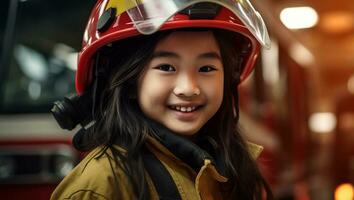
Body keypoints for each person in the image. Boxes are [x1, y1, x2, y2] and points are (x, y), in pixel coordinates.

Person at [50, 0, 273, 199]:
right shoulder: (101, 185)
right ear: (128, 80)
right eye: (166, 67)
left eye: (206, 68)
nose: (188, 88)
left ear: (228, 76)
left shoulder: (230, 170)